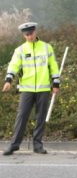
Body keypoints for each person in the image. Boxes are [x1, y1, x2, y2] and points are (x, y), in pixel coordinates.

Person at [2, 22, 60, 155]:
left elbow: (53, 66)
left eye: (31, 33)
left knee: (40, 117)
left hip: (43, 88)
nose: (29, 36)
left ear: (35, 32)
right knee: (21, 116)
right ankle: (14, 145)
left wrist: (56, 83)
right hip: (26, 89)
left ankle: (37, 145)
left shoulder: (46, 48)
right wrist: (8, 80)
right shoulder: (20, 50)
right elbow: (14, 65)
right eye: (26, 35)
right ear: (24, 35)